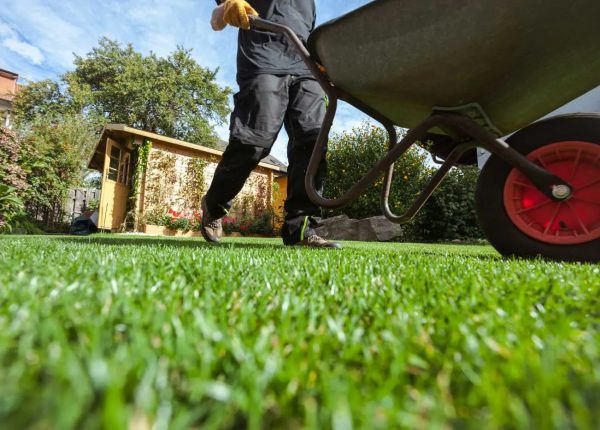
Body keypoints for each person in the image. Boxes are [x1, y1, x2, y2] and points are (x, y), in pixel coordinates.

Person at [201, 0, 340, 248]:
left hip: (308, 67)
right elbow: (215, 19)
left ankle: (301, 228)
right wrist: (227, 8)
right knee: (253, 141)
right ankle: (214, 204)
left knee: (313, 141)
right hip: (263, 59)